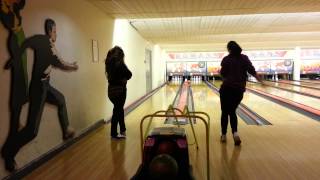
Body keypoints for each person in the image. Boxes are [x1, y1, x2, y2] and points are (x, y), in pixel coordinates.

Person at [1, 18, 78, 172]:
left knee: (61, 99)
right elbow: (61, 63)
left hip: (45, 85)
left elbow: (26, 42)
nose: (56, 34)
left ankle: (66, 130)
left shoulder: (42, 41)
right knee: (31, 131)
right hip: (38, 88)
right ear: (50, 31)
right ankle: (8, 153)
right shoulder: (48, 48)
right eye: (55, 31)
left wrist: (16, 57)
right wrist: (73, 66)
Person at [219, 41, 262, 146]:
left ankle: (224, 135)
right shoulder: (244, 58)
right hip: (238, 90)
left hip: (226, 89)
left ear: (229, 49)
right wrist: (260, 80)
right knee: (232, 111)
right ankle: (235, 133)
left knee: (225, 112)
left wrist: (221, 74)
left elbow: (223, 74)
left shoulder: (226, 59)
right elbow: (252, 70)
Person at [105, 46, 132, 139]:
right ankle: (114, 133)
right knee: (117, 111)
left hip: (111, 91)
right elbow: (129, 74)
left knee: (119, 110)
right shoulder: (120, 64)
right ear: (121, 55)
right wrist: (123, 78)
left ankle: (123, 130)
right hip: (120, 91)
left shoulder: (108, 63)